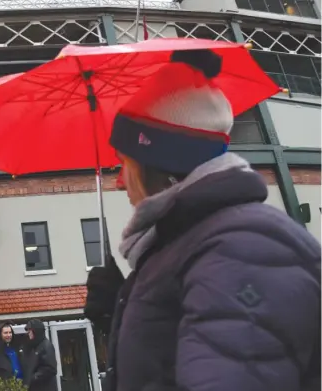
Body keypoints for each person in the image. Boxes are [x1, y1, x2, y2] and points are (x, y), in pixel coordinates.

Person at [85, 48, 321, 391]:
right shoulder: (192, 244)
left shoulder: (244, 249)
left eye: (124, 161)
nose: (120, 180)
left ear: (158, 163)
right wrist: (123, 309)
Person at [22, 320, 57, 391]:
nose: (28, 332)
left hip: (45, 387)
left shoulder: (46, 346)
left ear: (36, 331)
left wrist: (34, 377)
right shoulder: (34, 346)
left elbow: (51, 369)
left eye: (30, 330)